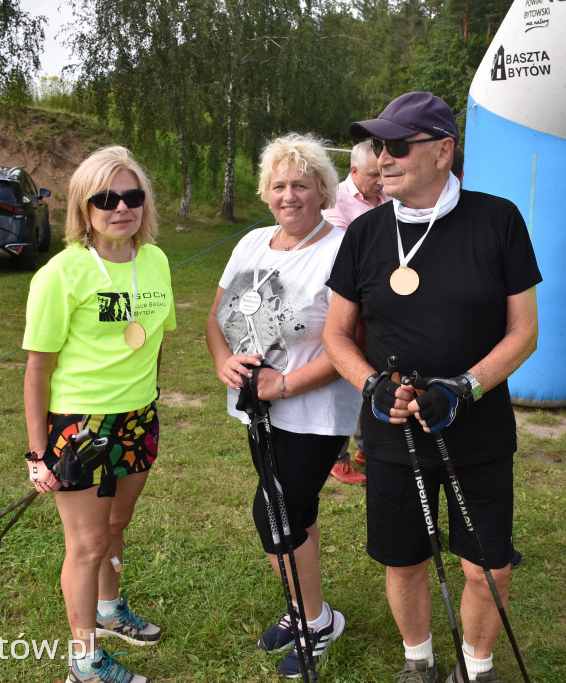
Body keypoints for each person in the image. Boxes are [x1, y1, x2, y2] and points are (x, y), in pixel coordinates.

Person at [323, 91, 542, 683]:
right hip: (394, 432)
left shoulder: (497, 219)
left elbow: (525, 333)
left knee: (487, 566)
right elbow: (336, 336)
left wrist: (464, 388)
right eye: (376, 147)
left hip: (478, 427)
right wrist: (370, 386)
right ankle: (417, 661)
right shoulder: (365, 232)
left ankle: (477, 667)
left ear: (444, 150)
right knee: (405, 559)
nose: (380, 159)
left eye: (396, 146)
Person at [206, 132, 361, 678]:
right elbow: (216, 315)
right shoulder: (251, 242)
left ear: (322, 189)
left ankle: (318, 621)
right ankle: (303, 609)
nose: (289, 195)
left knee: (272, 515)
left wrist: (287, 384)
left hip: (314, 413)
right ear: (265, 192)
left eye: (301, 184)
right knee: (299, 513)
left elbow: (353, 340)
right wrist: (223, 361)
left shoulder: (342, 247)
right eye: (279, 185)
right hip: (256, 408)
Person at [23, 146, 176, 683]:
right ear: (83, 208)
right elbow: (37, 371)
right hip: (79, 426)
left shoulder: (154, 261)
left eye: (132, 196)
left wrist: (146, 397)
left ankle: (110, 612)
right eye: (105, 199)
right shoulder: (60, 274)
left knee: (117, 524)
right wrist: (39, 452)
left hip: (137, 418)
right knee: (86, 545)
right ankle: (84, 661)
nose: (121, 208)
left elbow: (153, 341)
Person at [322, 140, 391, 484]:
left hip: (376, 305)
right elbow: (347, 256)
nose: (381, 181)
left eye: (382, 173)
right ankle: (337, 457)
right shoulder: (336, 202)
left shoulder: (387, 198)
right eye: (373, 175)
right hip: (344, 305)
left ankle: (366, 446)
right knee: (343, 377)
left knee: (375, 372)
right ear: (353, 172)